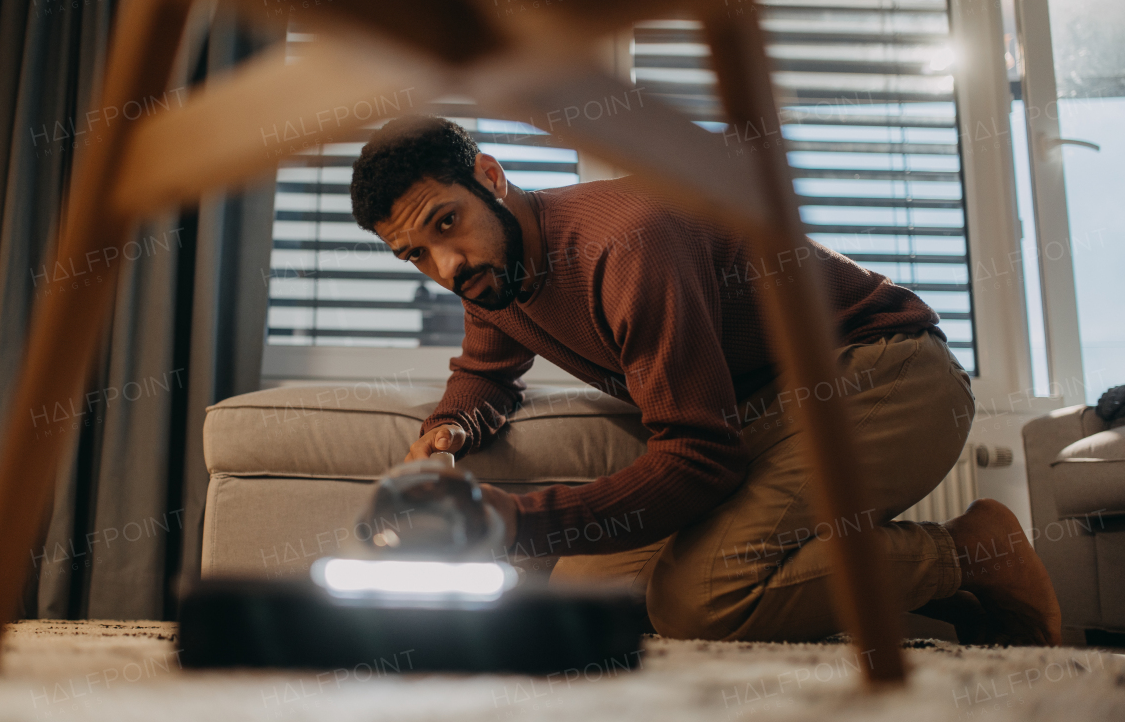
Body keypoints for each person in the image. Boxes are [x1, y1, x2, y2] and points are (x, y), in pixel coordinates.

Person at [348, 114, 1062, 645]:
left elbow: (698, 456)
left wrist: (517, 520)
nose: (446, 267)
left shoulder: (624, 245)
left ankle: (971, 552)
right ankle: (958, 616)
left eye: (448, 223)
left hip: (888, 372)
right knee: (590, 596)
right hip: (761, 410)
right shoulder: (490, 278)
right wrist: (443, 437)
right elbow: (484, 373)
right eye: (416, 255)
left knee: (699, 602)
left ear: (493, 178)